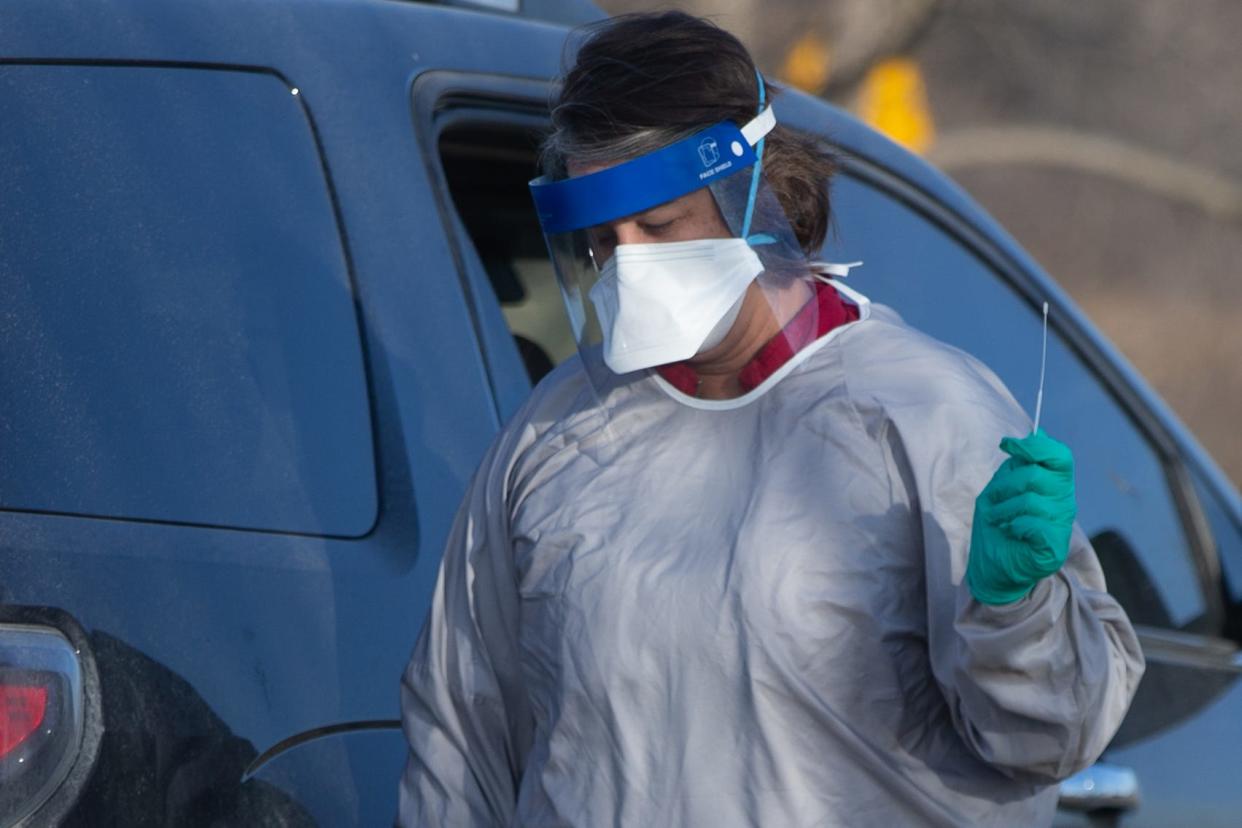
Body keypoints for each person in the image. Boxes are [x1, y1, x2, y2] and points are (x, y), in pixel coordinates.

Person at [399, 11, 1144, 827]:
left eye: (658, 225)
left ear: (756, 190)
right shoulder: (555, 434)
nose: (630, 263)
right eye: (604, 242)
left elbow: (1049, 739)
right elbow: (460, 733)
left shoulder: (920, 417)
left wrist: (1015, 611)